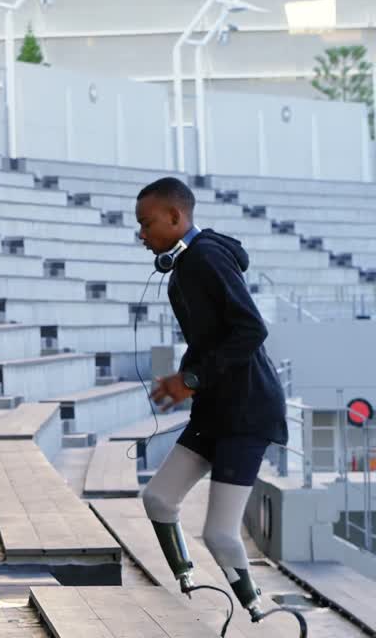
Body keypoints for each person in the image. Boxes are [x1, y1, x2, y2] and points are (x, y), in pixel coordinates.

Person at [135, 177, 287, 622]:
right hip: (215, 409)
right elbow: (211, 337)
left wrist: (193, 379)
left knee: (221, 534)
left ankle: (261, 615)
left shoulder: (205, 259)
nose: (141, 235)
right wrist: (185, 377)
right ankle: (185, 578)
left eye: (146, 224)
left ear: (176, 217)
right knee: (159, 499)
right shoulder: (186, 267)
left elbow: (251, 329)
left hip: (247, 412)